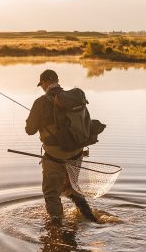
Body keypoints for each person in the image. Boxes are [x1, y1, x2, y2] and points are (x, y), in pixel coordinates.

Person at [25, 69, 98, 223]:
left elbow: (29, 130)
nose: (42, 88)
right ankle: (90, 217)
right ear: (57, 81)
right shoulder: (74, 98)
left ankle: (57, 227)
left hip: (55, 157)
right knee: (71, 187)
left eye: (42, 85)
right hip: (77, 153)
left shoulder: (40, 102)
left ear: (45, 83)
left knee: (51, 194)